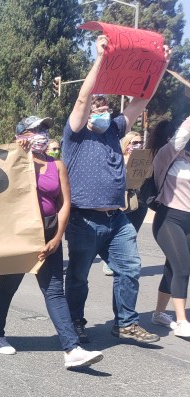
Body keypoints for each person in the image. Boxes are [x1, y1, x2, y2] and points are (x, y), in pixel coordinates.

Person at [62, 34, 169, 345]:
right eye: (97, 105)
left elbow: (141, 101)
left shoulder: (116, 130)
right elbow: (83, 99)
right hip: (84, 219)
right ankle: (75, 322)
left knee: (130, 268)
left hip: (116, 218)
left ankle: (125, 323)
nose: (101, 108)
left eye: (104, 105)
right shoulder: (76, 134)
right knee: (79, 277)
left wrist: (161, 65)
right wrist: (100, 59)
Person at [0, 116, 103, 368]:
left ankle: (72, 349)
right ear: (20, 136)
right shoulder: (11, 163)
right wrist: (20, 157)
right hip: (18, 234)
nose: (41, 134)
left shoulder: (56, 165)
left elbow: (64, 204)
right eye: (34, 130)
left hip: (48, 233)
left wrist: (57, 238)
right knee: (8, 285)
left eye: (43, 130)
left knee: (53, 291)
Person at [151, 116, 190, 336]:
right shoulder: (165, 158)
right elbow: (181, 138)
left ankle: (158, 313)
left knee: (172, 268)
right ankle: (182, 321)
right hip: (169, 219)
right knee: (183, 268)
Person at [101, 131, 149, 276]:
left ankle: (127, 263)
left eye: (140, 142)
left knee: (133, 233)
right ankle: (109, 261)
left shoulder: (144, 160)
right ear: (126, 144)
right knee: (120, 233)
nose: (138, 145)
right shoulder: (118, 159)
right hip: (122, 201)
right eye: (134, 143)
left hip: (140, 202)